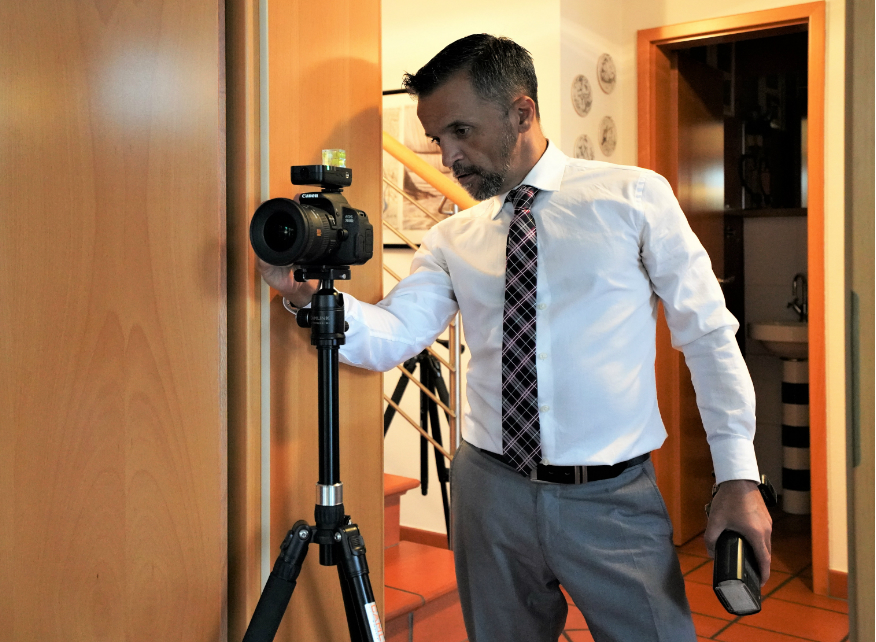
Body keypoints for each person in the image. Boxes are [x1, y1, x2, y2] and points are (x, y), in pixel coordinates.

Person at [259, 34, 772, 642]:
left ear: (521, 112)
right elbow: (393, 333)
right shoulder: (455, 238)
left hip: (612, 500)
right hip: (489, 493)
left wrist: (738, 476)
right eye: (437, 140)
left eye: (460, 131)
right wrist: (304, 296)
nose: (447, 158)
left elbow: (709, 337)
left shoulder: (634, 197)